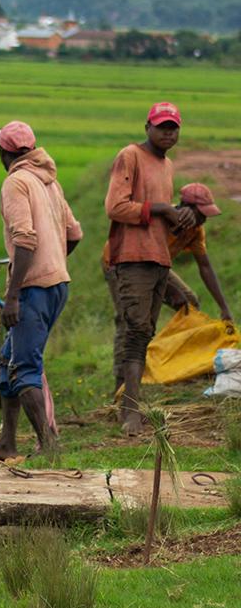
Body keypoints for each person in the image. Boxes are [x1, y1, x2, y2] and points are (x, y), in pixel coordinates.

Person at [0, 120, 83, 460]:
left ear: (5, 153)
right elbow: (74, 234)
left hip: (32, 290)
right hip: (58, 285)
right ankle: (7, 444)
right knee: (10, 360)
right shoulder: (49, 182)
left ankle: (50, 449)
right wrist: (52, 263)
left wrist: (13, 295)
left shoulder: (17, 183)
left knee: (24, 369)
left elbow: (24, 240)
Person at [104, 101, 195, 435]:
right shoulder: (130, 156)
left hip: (158, 257)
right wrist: (162, 209)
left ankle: (130, 406)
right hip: (132, 257)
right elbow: (115, 207)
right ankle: (129, 413)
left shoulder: (167, 165)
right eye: (162, 126)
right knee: (135, 333)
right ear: (148, 127)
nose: (168, 133)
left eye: (173, 127)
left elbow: (159, 218)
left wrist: (177, 216)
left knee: (142, 334)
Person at [105, 181, 233, 392]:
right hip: (121, 261)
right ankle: (122, 384)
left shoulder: (195, 230)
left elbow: (205, 267)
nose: (203, 220)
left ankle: (177, 361)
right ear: (184, 208)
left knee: (189, 303)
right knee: (130, 321)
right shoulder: (161, 221)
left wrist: (224, 307)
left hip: (158, 264)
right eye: (200, 214)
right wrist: (168, 289)